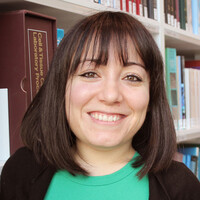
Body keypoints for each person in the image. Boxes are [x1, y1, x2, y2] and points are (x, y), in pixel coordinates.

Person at [0, 11, 200, 200]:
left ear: (151, 97)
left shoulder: (181, 188)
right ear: (61, 89)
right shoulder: (21, 171)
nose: (111, 95)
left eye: (132, 77)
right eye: (89, 74)